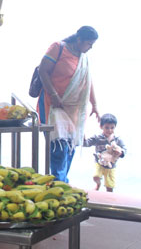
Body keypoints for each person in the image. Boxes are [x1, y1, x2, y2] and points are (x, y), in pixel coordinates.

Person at [36, 26, 99, 182]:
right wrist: (54, 94)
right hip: (53, 106)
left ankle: (62, 181)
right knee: (58, 147)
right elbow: (43, 71)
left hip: (73, 110)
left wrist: (95, 105)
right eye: (89, 44)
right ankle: (58, 182)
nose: (90, 48)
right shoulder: (58, 48)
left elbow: (87, 81)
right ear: (79, 40)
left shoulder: (83, 57)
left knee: (70, 147)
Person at [83, 113, 126, 192]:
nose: (109, 130)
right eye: (106, 127)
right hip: (99, 162)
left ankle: (109, 200)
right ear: (101, 127)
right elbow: (86, 144)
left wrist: (120, 152)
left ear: (115, 127)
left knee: (109, 187)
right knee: (96, 176)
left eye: (112, 128)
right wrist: (83, 137)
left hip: (111, 166)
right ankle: (98, 184)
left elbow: (124, 149)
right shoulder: (97, 137)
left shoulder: (117, 139)